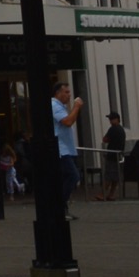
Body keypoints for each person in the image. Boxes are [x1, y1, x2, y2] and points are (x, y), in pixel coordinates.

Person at [51, 79, 83, 218]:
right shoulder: (54, 105)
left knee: (64, 178)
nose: (69, 95)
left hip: (66, 148)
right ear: (58, 93)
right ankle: (58, 206)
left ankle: (62, 209)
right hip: (61, 149)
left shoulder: (61, 106)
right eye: (66, 92)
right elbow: (68, 122)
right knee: (73, 175)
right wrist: (76, 107)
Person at [100, 111, 126, 201]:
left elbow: (105, 139)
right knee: (115, 177)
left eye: (111, 119)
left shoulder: (113, 129)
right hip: (119, 155)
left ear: (117, 119)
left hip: (111, 156)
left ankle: (102, 194)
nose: (110, 121)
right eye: (109, 119)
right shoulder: (121, 129)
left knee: (108, 175)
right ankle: (111, 194)